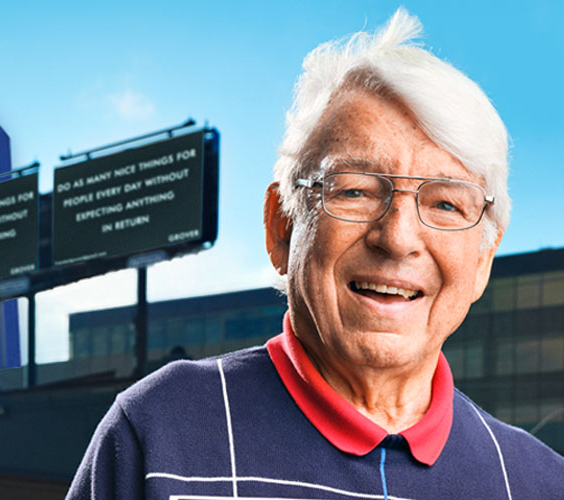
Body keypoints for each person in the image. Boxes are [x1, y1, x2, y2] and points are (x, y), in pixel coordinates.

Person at [67, 9, 564, 499]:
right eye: (355, 191)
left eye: (446, 203)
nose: (397, 238)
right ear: (281, 226)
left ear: (482, 261)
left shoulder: (541, 483)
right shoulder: (158, 433)